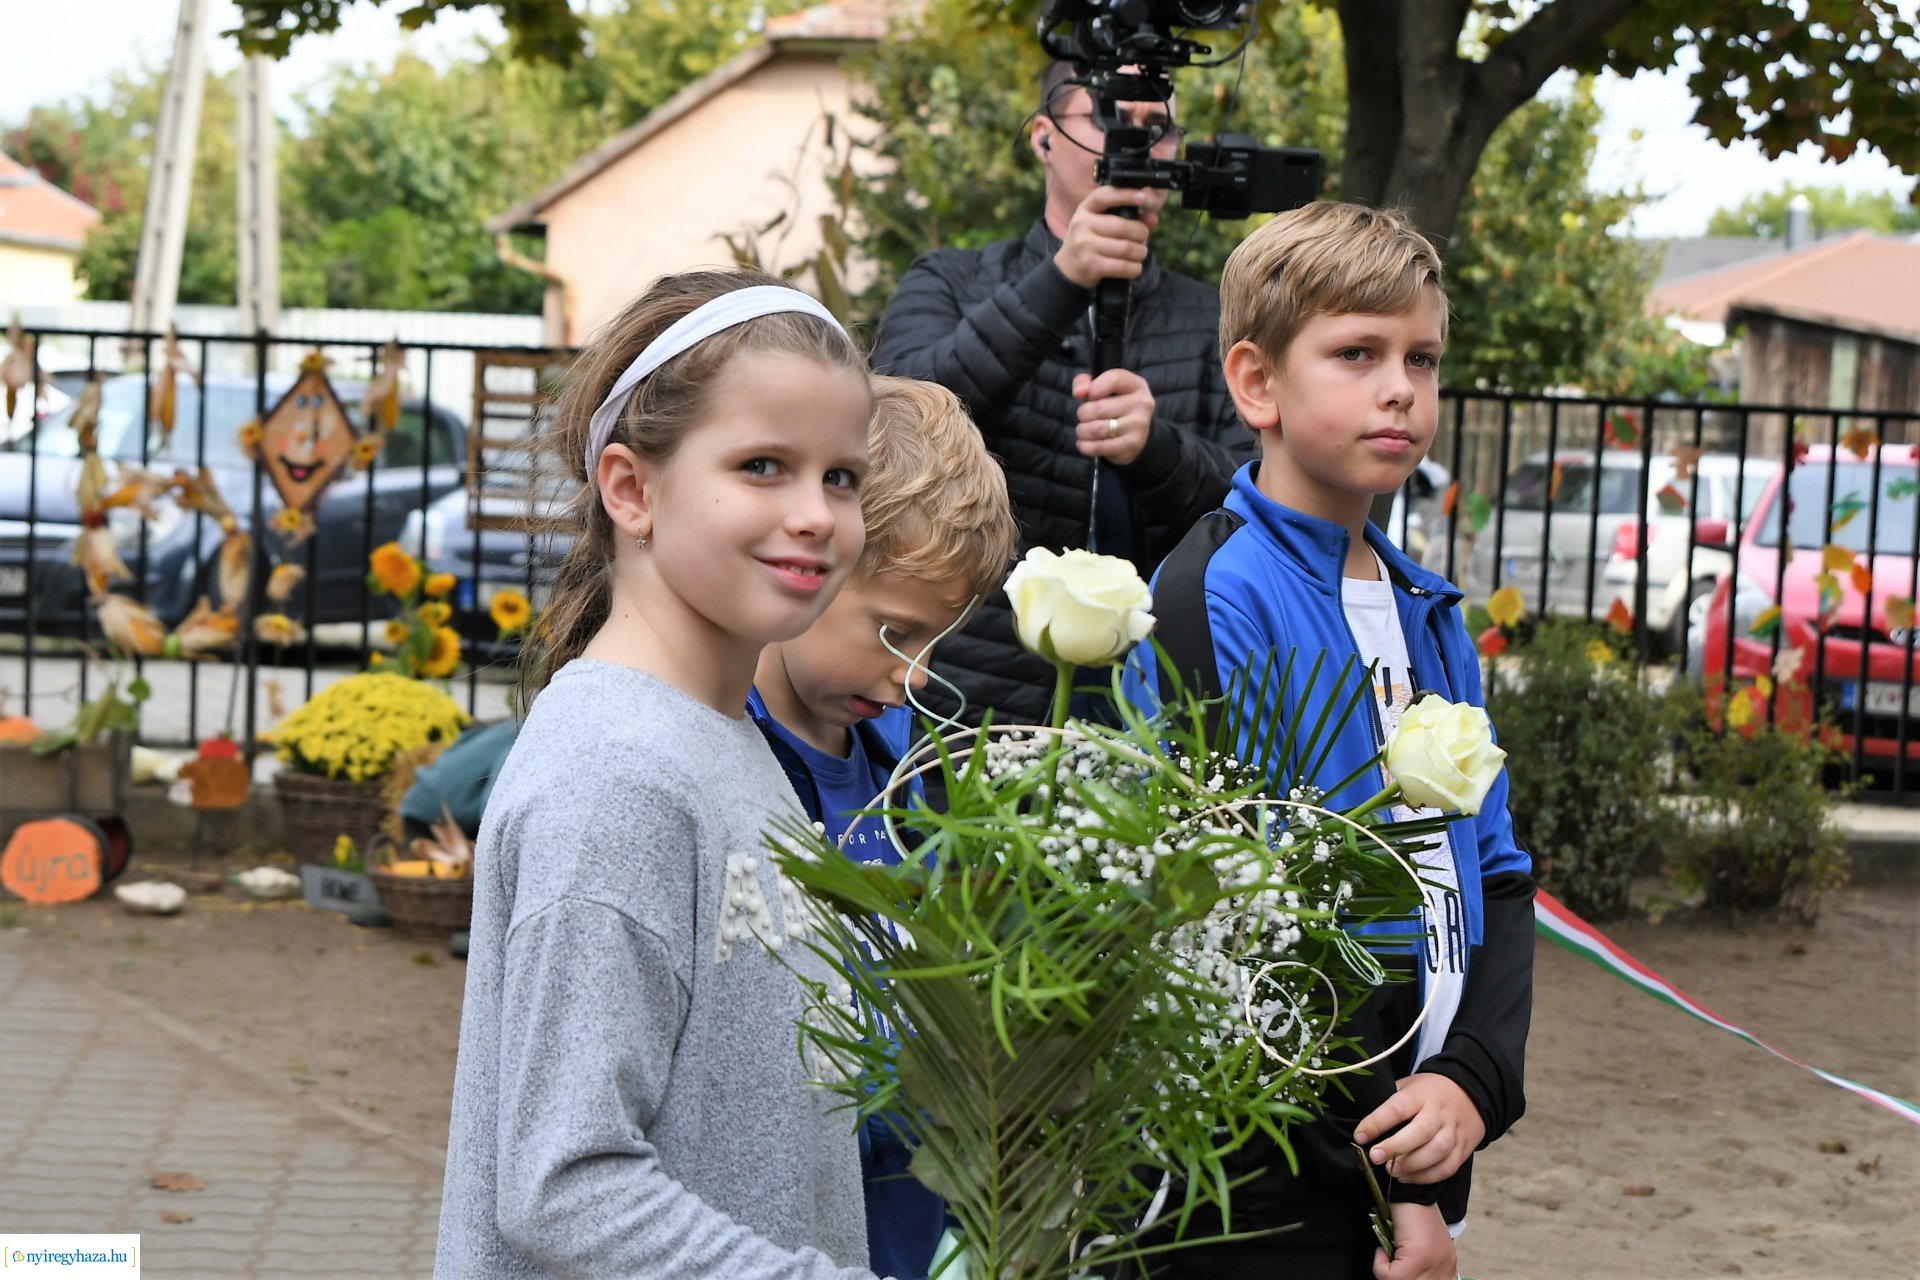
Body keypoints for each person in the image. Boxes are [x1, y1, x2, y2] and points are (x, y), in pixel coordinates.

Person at [437, 267, 889, 1280]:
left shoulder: (720, 741)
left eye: (842, 475)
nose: (816, 513)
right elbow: (565, 1183)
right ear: (632, 488)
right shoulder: (619, 780)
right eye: (764, 464)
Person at [1127, 203, 1536, 1280]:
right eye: (1356, 353)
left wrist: (1473, 1079)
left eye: (1423, 357)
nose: (1401, 386)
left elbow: (1494, 870)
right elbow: (1260, 914)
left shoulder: (1428, 606)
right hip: (1268, 1173)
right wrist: (1390, 1183)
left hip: (1409, 1134)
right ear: (1257, 382)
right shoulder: (1218, 595)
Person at [872, 60, 1253, 727]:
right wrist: (1061, 280)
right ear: (1044, 137)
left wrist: (1155, 449)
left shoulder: (1216, 324)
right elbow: (896, 424)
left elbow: (1259, 498)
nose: (1134, 146)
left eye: (1157, 128)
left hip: (1152, 703)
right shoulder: (951, 281)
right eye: (1107, 118)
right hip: (961, 690)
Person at [749, 374, 1019, 1280]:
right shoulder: (726, 759)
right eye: (895, 631)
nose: (914, 674)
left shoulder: (906, 770)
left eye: (935, 642)